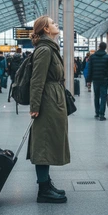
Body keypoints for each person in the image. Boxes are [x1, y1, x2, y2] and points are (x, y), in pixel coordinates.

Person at [27, 15, 69, 204]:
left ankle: (46, 183)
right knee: (43, 143)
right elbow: (37, 80)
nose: (56, 24)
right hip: (47, 101)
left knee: (48, 141)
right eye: (52, 23)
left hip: (53, 98)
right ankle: (43, 189)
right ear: (45, 29)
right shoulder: (44, 49)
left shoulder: (49, 47)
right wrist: (35, 106)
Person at [87, 42, 108, 121]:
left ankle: (97, 112)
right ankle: (101, 114)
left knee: (96, 96)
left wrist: (88, 80)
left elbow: (90, 69)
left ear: (99, 47)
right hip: (104, 79)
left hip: (95, 79)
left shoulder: (92, 57)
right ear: (105, 48)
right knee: (103, 96)